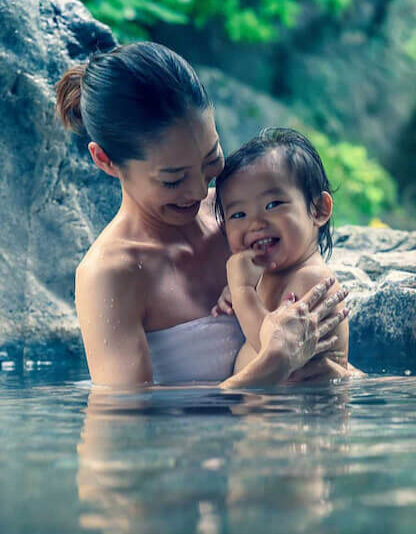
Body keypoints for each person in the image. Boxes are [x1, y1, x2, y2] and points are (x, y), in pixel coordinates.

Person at [54, 42, 351, 388]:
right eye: (173, 179)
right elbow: (125, 431)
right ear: (105, 160)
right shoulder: (111, 275)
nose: (199, 192)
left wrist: (336, 375)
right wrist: (275, 363)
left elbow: (320, 357)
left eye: (211, 159)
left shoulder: (241, 220)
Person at [214, 128, 349, 380]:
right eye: (238, 214)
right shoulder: (273, 274)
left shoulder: (312, 280)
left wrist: (242, 292)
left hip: (298, 417)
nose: (255, 223)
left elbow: (277, 352)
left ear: (318, 209)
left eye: (272, 205)